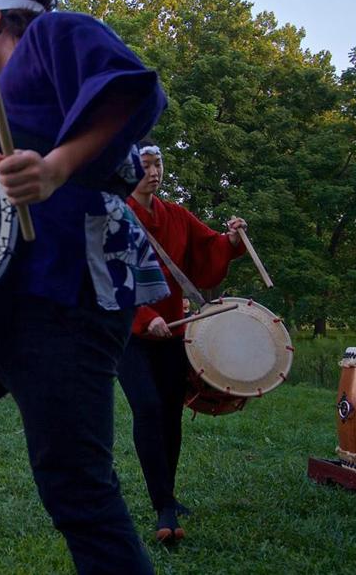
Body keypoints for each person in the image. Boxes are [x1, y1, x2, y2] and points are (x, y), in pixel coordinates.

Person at [0, 0, 168, 574]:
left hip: (61, 298)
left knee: (77, 490)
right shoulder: (0, 102)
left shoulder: (52, 35)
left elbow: (134, 91)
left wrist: (53, 168)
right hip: (12, 305)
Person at [119, 143, 247, 542]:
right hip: (128, 333)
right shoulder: (116, 215)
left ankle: (167, 496)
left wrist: (230, 239)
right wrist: (144, 316)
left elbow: (205, 249)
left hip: (173, 330)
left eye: (158, 165)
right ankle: (163, 506)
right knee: (148, 407)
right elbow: (108, 273)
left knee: (171, 412)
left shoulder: (175, 214)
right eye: (145, 165)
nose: (153, 171)